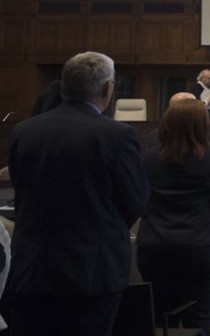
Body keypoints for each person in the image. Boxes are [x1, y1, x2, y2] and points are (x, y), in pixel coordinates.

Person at [7, 51, 149, 336]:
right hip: (91, 271)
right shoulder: (116, 135)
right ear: (108, 88)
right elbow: (135, 202)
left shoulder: (24, 130)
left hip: (31, 266)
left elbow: (19, 189)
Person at [136, 93, 210, 336]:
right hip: (202, 249)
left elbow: (137, 200)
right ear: (203, 124)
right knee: (199, 320)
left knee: (160, 320)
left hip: (154, 248)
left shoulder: (147, 159)